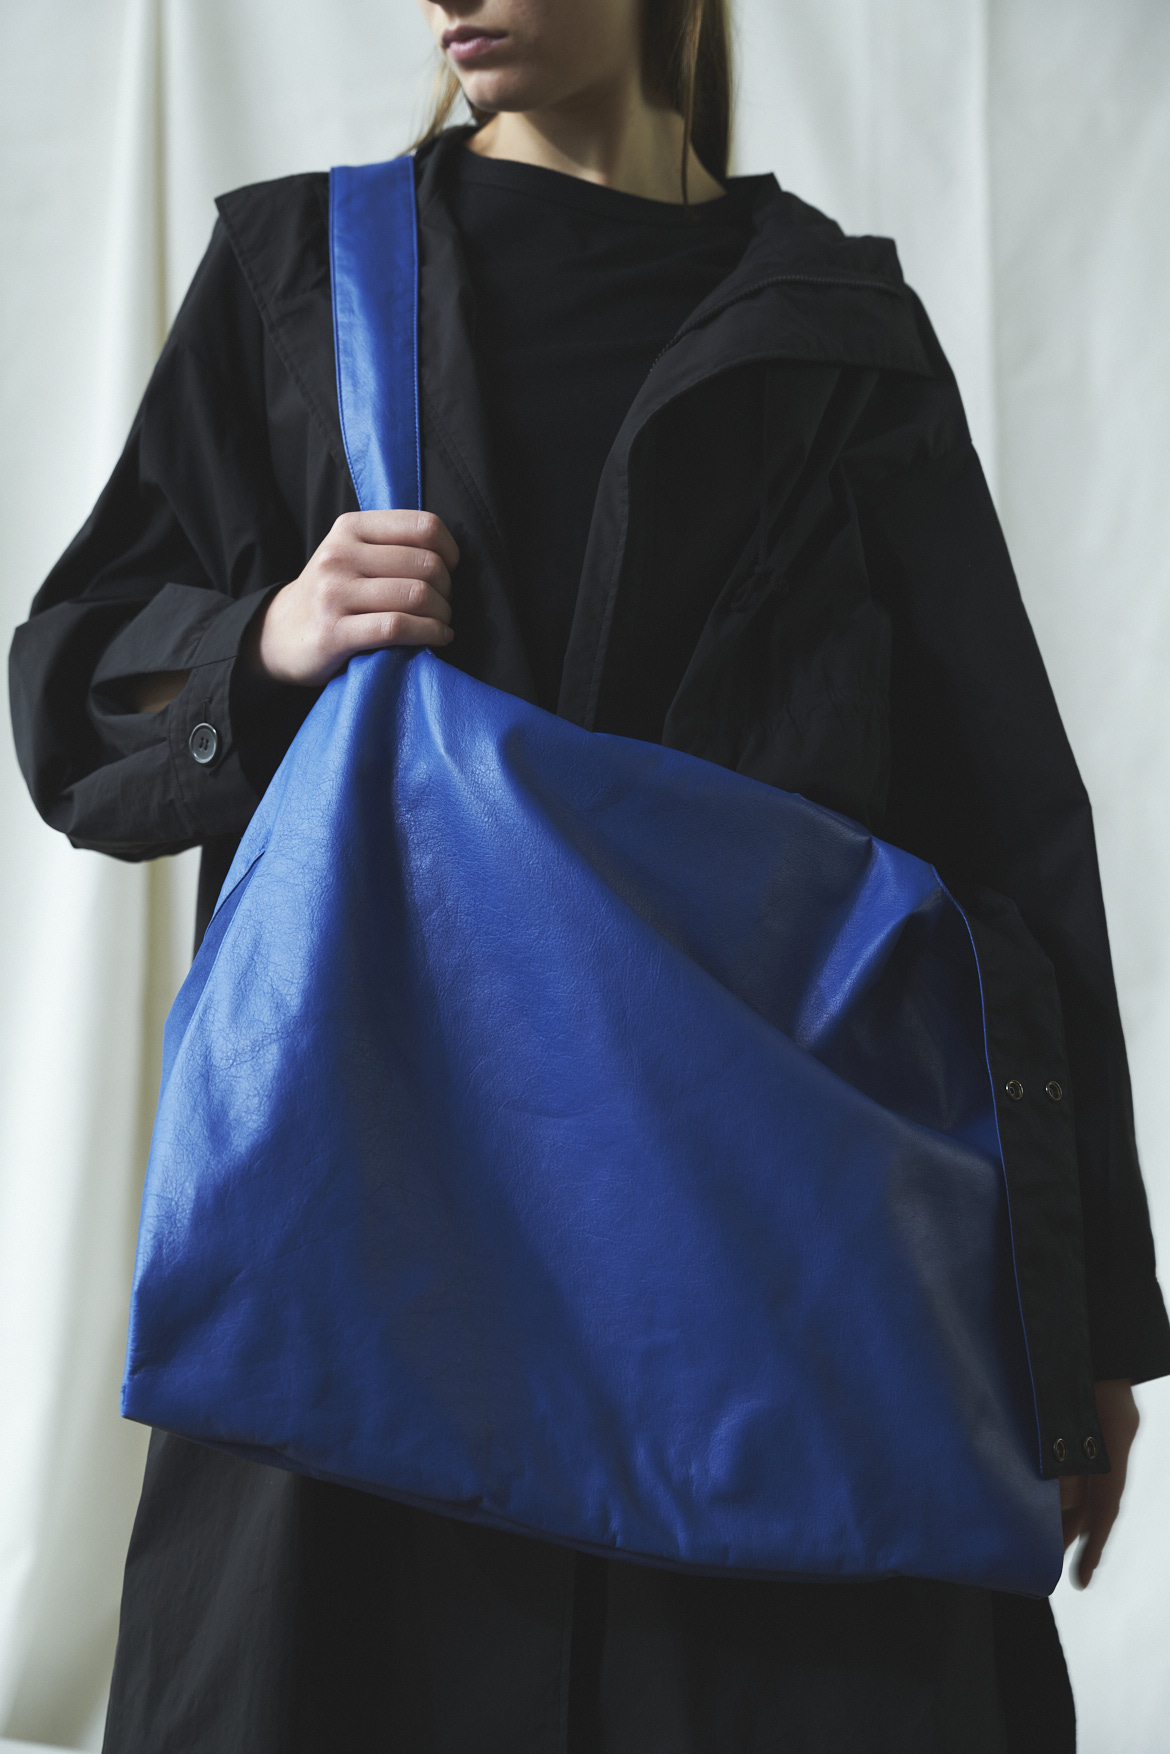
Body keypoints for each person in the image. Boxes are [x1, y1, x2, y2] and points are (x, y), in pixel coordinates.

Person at [8, 1, 1169, 1749]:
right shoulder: (295, 278)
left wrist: (1076, 1330)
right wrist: (265, 638)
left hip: (756, 1281)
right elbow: (71, 694)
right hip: (373, 1270)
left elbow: (1001, 827)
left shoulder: (839, 331)